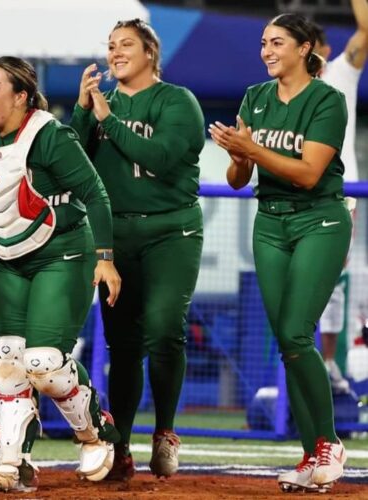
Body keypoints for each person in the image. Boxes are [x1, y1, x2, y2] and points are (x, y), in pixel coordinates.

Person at [0, 56, 122, 493]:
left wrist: (104, 258)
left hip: (61, 252)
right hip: (4, 257)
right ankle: (13, 462)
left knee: (44, 364)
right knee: (9, 366)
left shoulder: (49, 135)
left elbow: (95, 193)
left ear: (20, 97)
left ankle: (96, 434)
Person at [209, 13, 350, 493]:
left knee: (296, 330)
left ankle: (330, 444)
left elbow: (309, 173)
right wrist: (237, 154)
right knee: (289, 345)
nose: (267, 50)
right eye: (263, 42)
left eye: (277, 42)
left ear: (305, 47)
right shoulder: (255, 97)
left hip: (320, 220)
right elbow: (238, 179)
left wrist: (252, 146)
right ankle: (312, 455)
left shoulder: (327, 99)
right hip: (269, 222)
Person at [70, 18, 205, 481]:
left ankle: (165, 432)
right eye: (110, 46)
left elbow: (161, 159)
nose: (115, 52)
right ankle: (121, 445)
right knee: (122, 345)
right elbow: (73, 162)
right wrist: (84, 111)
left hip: (171, 230)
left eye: (126, 44)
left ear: (150, 52)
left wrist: (108, 119)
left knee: (166, 328)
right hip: (115, 236)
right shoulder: (98, 105)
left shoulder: (176, 100)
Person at [313, 0, 368, 391]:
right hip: (294, 192)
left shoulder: (340, 73)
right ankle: (297, 365)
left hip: (340, 192)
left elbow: (365, 33)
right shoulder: (281, 89)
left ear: (324, 49)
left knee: (332, 279)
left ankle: (328, 363)